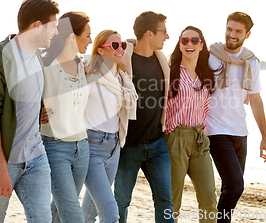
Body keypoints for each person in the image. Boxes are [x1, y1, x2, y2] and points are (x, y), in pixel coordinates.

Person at [0, 0, 59, 223]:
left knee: (42, 219)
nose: (56, 31)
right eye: (53, 26)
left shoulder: (38, 58)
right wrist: (1, 170)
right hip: (3, 161)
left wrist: (38, 110)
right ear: (37, 26)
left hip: (36, 157)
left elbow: (25, 98)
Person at [206, 11, 266, 223]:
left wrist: (265, 137)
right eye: (229, 29)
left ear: (247, 34)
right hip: (215, 130)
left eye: (238, 31)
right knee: (236, 185)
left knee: (231, 186)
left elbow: (255, 99)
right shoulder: (209, 55)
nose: (232, 34)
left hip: (240, 132)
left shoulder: (251, 62)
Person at [115, 11, 174, 223]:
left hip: (157, 145)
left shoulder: (161, 61)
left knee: (165, 201)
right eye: (163, 32)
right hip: (128, 146)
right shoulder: (122, 60)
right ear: (149, 33)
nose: (167, 37)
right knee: (121, 202)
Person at [82, 30, 138, 223]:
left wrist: (125, 45)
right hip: (92, 147)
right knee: (110, 212)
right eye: (114, 45)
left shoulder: (122, 79)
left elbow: (130, 47)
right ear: (100, 50)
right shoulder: (89, 77)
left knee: (89, 213)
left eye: (122, 44)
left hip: (114, 146)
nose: (120, 48)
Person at [41, 11, 92, 223]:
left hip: (82, 148)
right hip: (55, 147)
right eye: (87, 35)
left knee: (59, 209)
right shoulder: (44, 66)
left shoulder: (81, 65)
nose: (90, 40)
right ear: (72, 36)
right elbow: (20, 97)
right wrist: (36, 112)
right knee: (72, 212)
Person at [164, 26, 218, 222]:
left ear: (201, 45)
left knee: (209, 199)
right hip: (175, 139)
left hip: (200, 140)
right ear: (179, 45)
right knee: (172, 201)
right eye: (184, 40)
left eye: (194, 41)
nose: (189, 44)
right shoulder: (170, 74)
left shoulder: (206, 75)